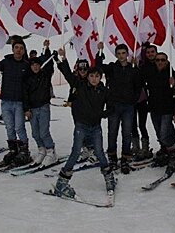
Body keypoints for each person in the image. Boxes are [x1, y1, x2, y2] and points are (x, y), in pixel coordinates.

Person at [53, 49, 115, 197]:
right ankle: (62, 182)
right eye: (91, 76)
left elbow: (111, 107)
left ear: (101, 77)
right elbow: (68, 74)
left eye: (97, 76)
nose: (94, 79)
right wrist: (62, 59)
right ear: (87, 77)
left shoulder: (104, 91)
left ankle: (109, 178)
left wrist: (103, 114)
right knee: (75, 152)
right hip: (81, 125)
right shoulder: (80, 86)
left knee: (100, 152)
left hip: (96, 127)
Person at [96, 42, 142, 174]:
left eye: (123, 53)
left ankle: (125, 159)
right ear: (116, 55)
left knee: (127, 133)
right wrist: (100, 53)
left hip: (128, 106)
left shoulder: (133, 69)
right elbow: (99, 67)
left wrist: (133, 100)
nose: (121, 56)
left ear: (127, 54)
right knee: (112, 132)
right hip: (114, 105)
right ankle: (112, 157)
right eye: (119, 53)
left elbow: (138, 86)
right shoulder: (112, 67)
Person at [0, 39, 32, 167]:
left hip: (19, 102)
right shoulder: (6, 62)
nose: (18, 50)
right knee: (9, 127)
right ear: (13, 49)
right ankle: (13, 150)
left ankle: (24, 151)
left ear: (24, 50)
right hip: (6, 101)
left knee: (19, 127)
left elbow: (29, 85)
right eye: (16, 47)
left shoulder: (26, 65)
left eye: (21, 48)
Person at [145, 52, 175, 175]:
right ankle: (168, 149)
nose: (160, 62)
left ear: (166, 61)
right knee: (160, 133)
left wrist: (174, 85)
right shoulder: (151, 73)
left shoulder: (172, 74)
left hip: (167, 109)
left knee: (164, 134)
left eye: (162, 60)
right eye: (158, 60)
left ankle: (173, 154)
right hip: (155, 108)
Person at [23, 57, 57, 166]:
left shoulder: (45, 76)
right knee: (35, 133)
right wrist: (26, 109)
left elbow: (49, 65)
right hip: (32, 108)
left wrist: (48, 51)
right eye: (33, 65)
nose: (35, 67)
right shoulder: (27, 78)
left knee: (44, 131)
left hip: (43, 107)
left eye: (37, 65)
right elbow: (25, 94)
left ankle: (50, 150)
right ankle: (42, 149)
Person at [133, 42, 157, 161]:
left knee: (142, 124)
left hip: (142, 99)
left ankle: (145, 148)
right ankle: (136, 147)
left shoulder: (147, 66)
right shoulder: (136, 67)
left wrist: (143, 48)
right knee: (132, 125)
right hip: (132, 100)